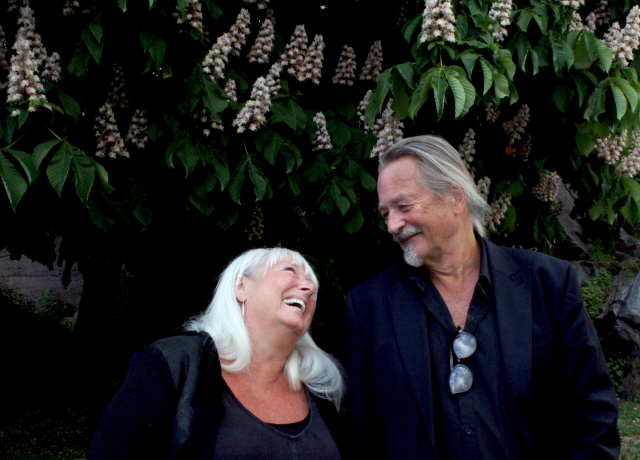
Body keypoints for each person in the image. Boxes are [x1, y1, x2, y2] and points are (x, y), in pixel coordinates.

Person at [342, 135, 620, 460]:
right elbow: (360, 438)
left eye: (404, 207)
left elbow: (596, 416)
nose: (392, 225)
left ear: (456, 198)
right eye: (385, 212)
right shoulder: (368, 307)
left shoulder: (549, 284)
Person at [89, 247, 344, 459]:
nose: (309, 287)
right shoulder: (174, 363)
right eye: (290, 270)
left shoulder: (324, 389)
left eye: (313, 286)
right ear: (241, 287)